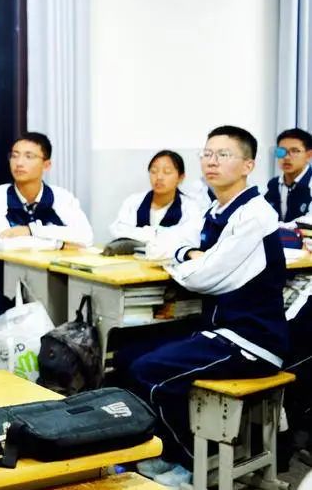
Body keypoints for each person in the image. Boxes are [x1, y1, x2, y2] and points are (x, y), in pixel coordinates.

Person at [134, 126, 289, 487]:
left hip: (252, 341)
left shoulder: (254, 215)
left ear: (248, 165)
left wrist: (185, 259)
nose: (212, 162)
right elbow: (161, 245)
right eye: (207, 154)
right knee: (128, 353)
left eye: (223, 155)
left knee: (147, 370)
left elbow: (203, 277)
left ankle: (186, 464)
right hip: (218, 330)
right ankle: (157, 452)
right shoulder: (215, 209)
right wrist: (187, 253)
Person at [0, 132, 93, 326]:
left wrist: (32, 230)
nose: (19, 163)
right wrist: (59, 243)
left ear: (46, 165)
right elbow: (4, 245)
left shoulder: (62, 198)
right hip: (2, 276)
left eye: (29, 156)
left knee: (60, 328)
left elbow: (85, 237)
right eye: (15, 155)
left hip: (55, 276)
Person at [109, 150, 203, 244]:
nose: (159, 177)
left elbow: (188, 238)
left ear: (180, 177)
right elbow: (119, 231)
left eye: (167, 172)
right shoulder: (133, 201)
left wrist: (140, 234)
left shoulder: (190, 207)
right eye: (154, 171)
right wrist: (157, 235)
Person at [264, 128, 312, 227]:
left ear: (309, 155)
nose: (286, 157)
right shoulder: (274, 184)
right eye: (281, 151)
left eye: (294, 151)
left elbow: (309, 221)